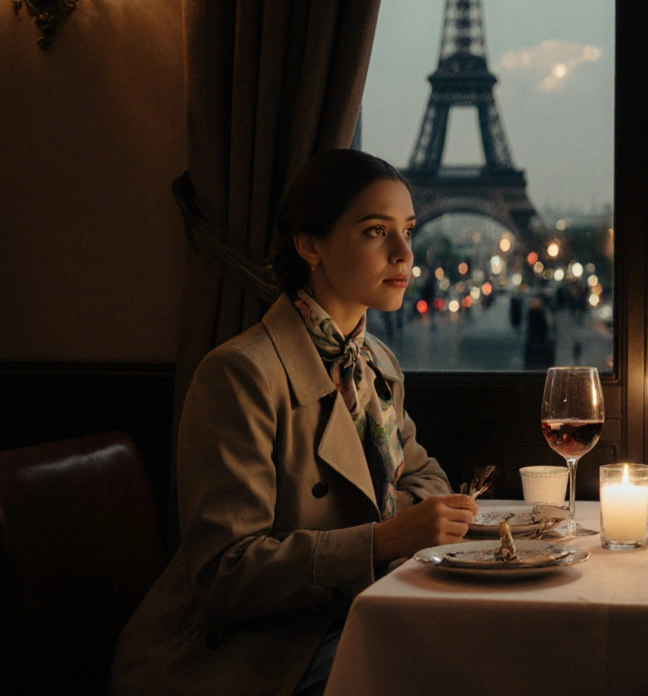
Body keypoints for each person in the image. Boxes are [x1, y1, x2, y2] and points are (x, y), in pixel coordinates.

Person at [110, 150, 479, 696]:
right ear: (310, 245)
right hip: (248, 655)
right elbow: (225, 574)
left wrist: (397, 519)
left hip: (343, 619)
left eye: (407, 230)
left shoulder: (375, 363)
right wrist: (381, 538)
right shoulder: (240, 373)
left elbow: (426, 479)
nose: (405, 254)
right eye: (377, 232)